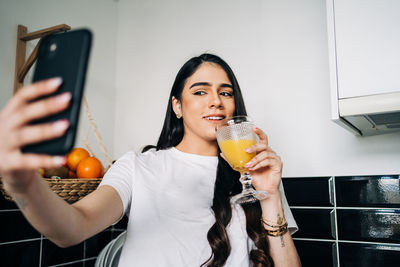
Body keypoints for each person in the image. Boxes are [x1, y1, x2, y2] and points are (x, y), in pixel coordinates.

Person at [0, 53, 301, 266]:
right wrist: (24, 184)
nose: (216, 101)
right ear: (177, 106)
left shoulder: (256, 172)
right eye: (200, 91)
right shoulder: (137, 167)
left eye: (226, 92)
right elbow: (71, 229)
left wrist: (271, 196)